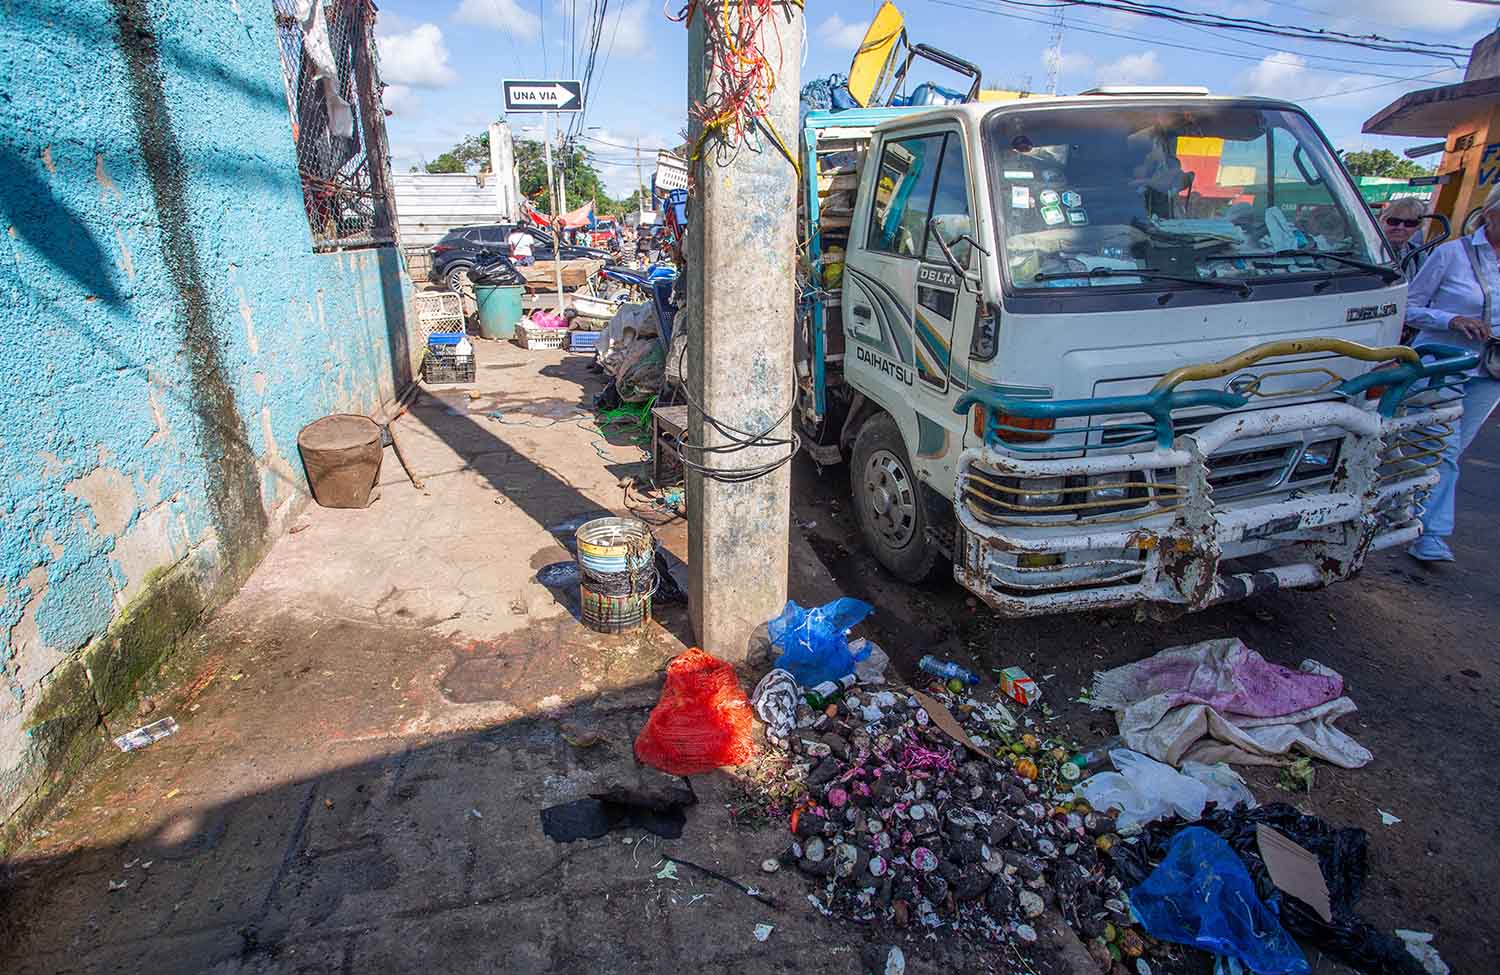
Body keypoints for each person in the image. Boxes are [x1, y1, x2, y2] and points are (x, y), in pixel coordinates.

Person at [1401, 182, 1500, 562]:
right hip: (1443, 364)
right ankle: (1431, 535)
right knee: (1444, 449)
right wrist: (1452, 319)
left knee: (1448, 453)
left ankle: (1414, 515)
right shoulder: (1451, 254)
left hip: (1489, 371)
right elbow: (1409, 306)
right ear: (1490, 213)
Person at [1382, 197, 1428, 273]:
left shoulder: (1418, 255)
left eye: (1409, 223)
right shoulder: (1364, 249)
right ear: (1383, 220)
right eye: (1394, 221)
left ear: (1418, 227)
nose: (1400, 227)